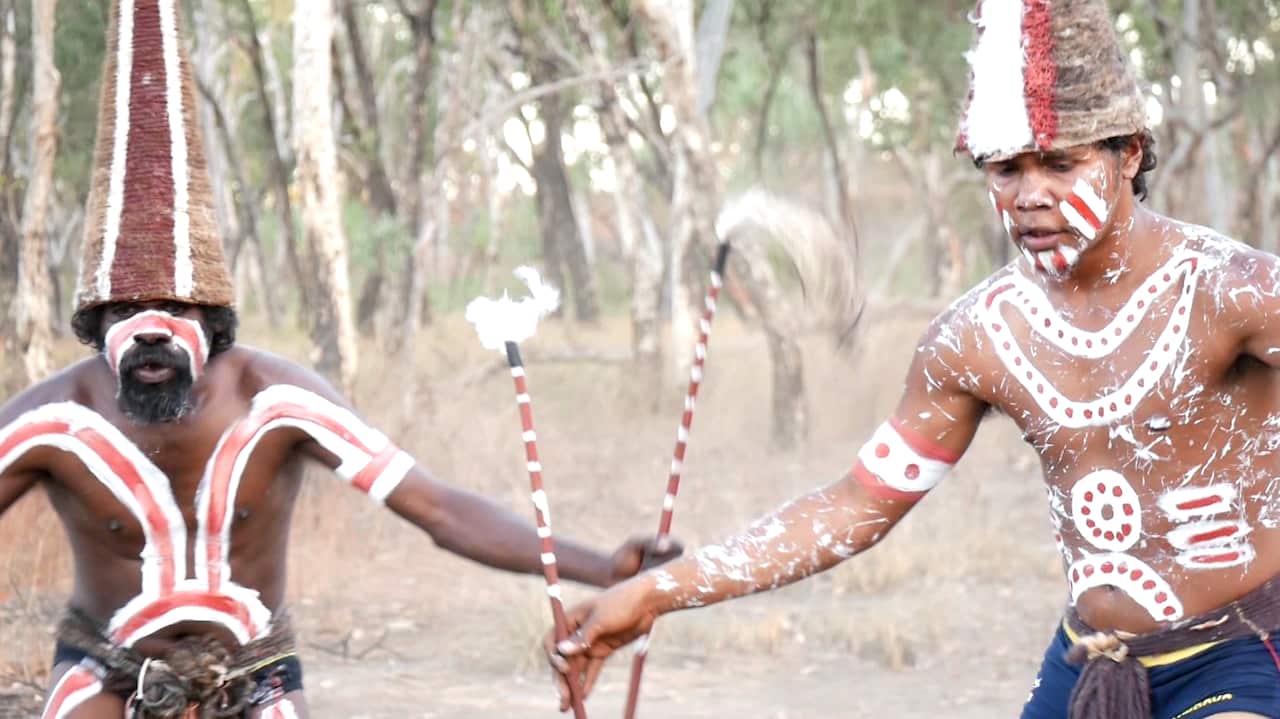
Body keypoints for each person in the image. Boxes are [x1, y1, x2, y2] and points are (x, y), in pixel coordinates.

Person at [546, 1, 1280, 717]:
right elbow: (857, 503)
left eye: (1060, 162)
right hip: (1087, 659)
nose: (1030, 195)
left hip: (1242, 649)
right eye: (1004, 169)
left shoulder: (1231, 292)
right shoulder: (978, 336)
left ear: (1130, 154)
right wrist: (653, 592)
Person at [2, 3, 677, 718]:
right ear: (92, 324)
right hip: (107, 668)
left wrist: (600, 566)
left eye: (176, 311)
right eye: (124, 313)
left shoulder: (280, 400)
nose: (149, 333)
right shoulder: (54, 419)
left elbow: (439, 509)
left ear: (217, 322)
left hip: (253, 670)